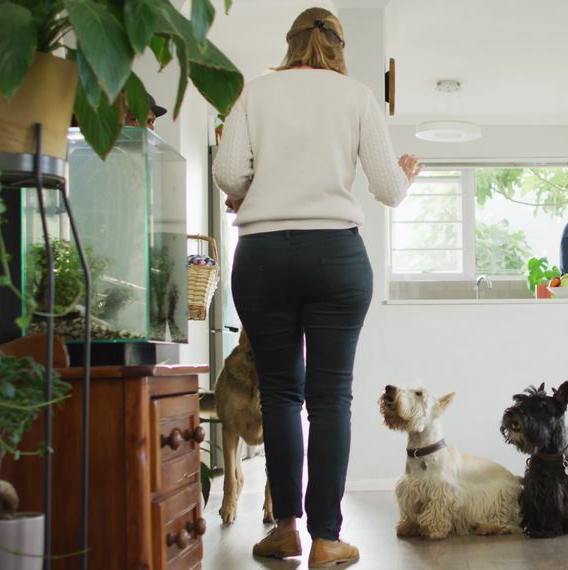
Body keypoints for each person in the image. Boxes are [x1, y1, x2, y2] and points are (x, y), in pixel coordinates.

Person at [212, 7, 420, 567]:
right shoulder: (355, 97)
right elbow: (388, 189)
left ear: (291, 43)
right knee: (331, 400)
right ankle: (328, 539)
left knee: (280, 394)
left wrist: (262, 186)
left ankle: (285, 531)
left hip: (262, 257)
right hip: (336, 257)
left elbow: (229, 175)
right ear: (339, 46)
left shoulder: (256, 93)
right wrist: (407, 176)